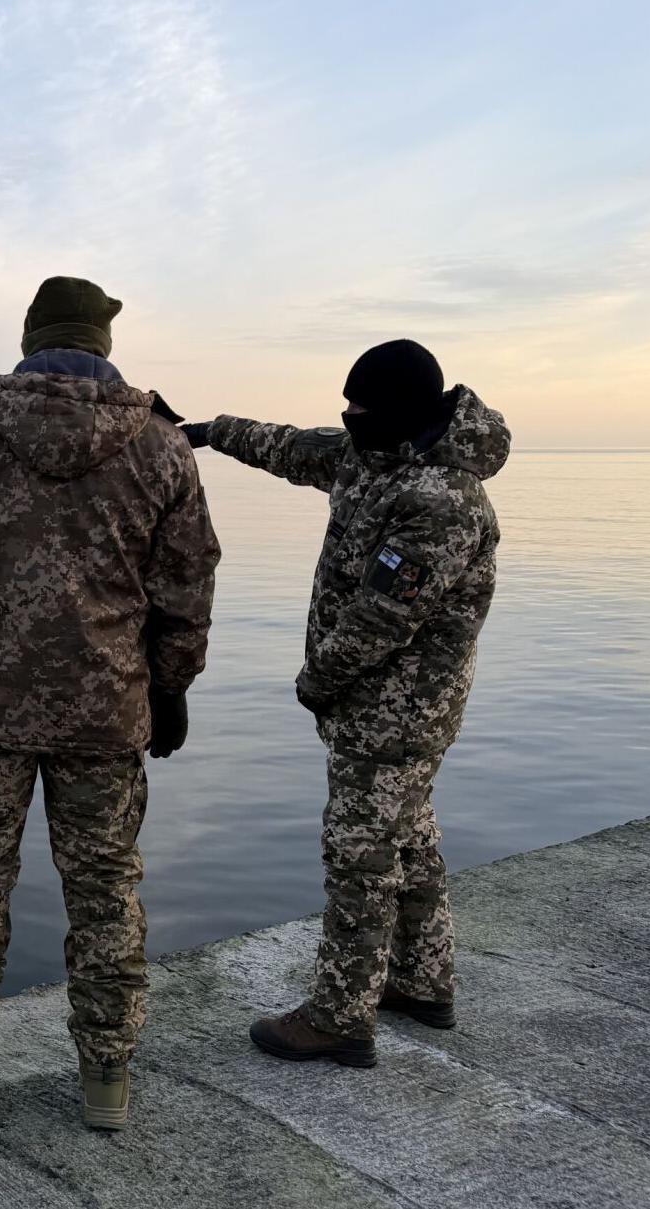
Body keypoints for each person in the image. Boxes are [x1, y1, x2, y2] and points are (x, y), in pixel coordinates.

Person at [0, 276, 221, 1127]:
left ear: (31, 336)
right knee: (105, 888)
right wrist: (171, 686)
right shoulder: (159, 442)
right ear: (102, 344)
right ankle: (106, 1080)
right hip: (106, 709)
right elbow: (186, 584)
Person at [182, 340, 509, 1068]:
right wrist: (207, 430)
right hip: (379, 709)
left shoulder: (439, 500)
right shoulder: (376, 454)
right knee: (409, 840)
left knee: (359, 857)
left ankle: (339, 1014)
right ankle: (421, 980)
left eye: (359, 405)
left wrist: (315, 681)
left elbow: (380, 620)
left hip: (397, 713)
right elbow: (292, 447)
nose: (346, 415)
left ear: (397, 410)